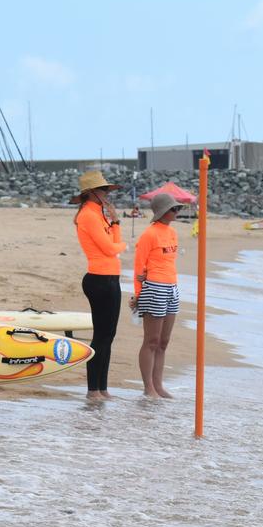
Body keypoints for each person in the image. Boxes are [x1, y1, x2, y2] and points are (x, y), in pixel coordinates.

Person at [73, 170, 126, 401]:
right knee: (101, 336)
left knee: (109, 335)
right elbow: (110, 248)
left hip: (111, 277)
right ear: (91, 193)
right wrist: (121, 244)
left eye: (107, 189)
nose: (107, 193)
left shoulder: (100, 214)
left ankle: (102, 388)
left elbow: (114, 243)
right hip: (99, 279)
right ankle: (92, 389)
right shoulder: (87, 215)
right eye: (103, 190)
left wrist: (115, 221)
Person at [132, 192, 183, 399]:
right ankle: (148, 387)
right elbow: (138, 267)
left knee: (164, 341)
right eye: (174, 209)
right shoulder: (149, 234)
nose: (177, 211)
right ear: (163, 212)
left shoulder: (172, 233)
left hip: (172, 287)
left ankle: (158, 385)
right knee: (151, 340)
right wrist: (137, 295)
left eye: (177, 208)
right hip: (154, 287)